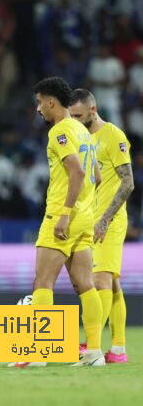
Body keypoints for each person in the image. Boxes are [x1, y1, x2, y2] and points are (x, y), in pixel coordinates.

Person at [10, 77, 104, 368]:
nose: (38, 109)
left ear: (51, 101)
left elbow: (76, 173)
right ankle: (95, 353)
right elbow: (96, 176)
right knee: (85, 285)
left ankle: (37, 354)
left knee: (42, 281)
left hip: (63, 215)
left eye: (39, 102)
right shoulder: (82, 130)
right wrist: (84, 208)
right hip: (85, 216)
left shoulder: (60, 131)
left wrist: (64, 212)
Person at [69, 89, 134, 363]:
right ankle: (118, 349)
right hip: (87, 219)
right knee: (114, 284)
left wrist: (106, 218)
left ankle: (91, 344)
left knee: (100, 280)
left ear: (93, 110)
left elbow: (128, 181)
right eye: (71, 115)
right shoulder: (80, 137)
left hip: (109, 220)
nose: (74, 120)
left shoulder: (113, 136)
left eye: (79, 115)